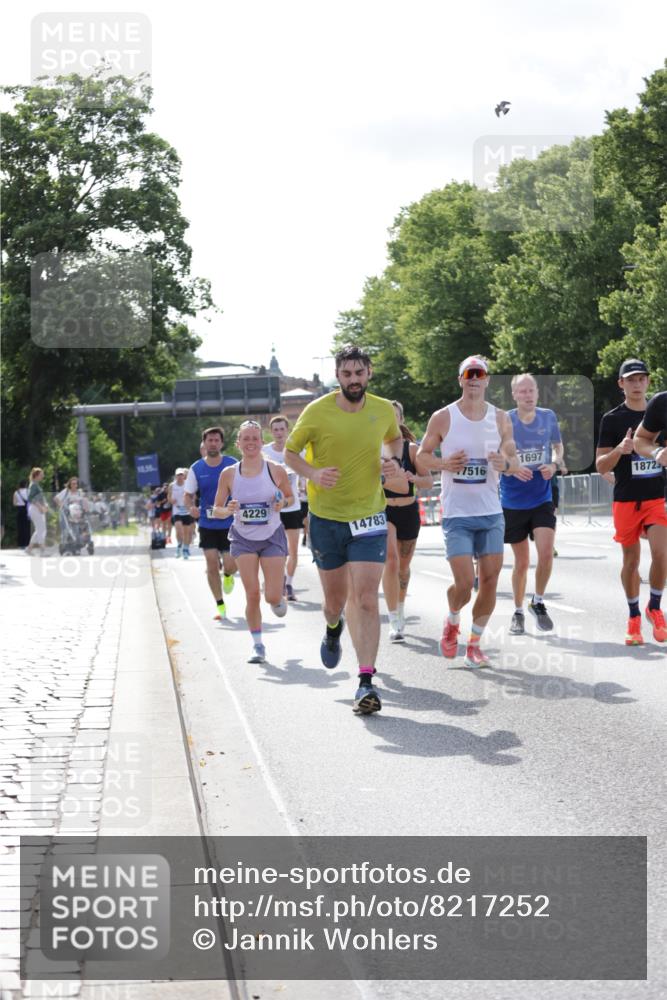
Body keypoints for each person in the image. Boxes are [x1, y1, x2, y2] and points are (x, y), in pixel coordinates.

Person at [285, 344, 404, 715]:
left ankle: (366, 680)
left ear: (369, 373)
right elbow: (291, 453)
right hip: (326, 517)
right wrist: (313, 473)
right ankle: (333, 628)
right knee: (335, 602)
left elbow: (395, 437)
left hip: (369, 515)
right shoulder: (316, 411)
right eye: (347, 374)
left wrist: (393, 460)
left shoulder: (383, 409)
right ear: (338, 376)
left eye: (360, 373)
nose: (354, 380)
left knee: (366, 598)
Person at [416, 355, 521, 668]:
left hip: (490, 513)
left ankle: (474, 644)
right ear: (461, 379)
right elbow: (422, 457)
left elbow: (513, 461)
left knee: (489, 580)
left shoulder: (501, 418)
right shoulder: (443, 417)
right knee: (464, 584)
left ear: (487, 380)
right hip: (458, 514)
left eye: (480, 374)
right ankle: (452, 621)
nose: (475, 378)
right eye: (469, 374)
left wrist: (505, 464)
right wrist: (443, 464)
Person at [596, 360, 667, 644]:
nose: (637, 384)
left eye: (641, 378)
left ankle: (655, 607)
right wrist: (619, 450)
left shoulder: (659, 411)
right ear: (621, 384)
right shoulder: (612, 419)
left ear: (648, 381)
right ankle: (634, 614)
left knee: (662, 553)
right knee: (631, 560)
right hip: (626, 498)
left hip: (655, 496)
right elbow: (601, 466)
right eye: (631, 379)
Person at [213, 420, 293, 662]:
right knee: (252, 594)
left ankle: (278, 597)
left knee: (270, 597)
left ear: (261, 442)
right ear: (238, 443)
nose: (250, 443)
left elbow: (290, 497)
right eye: (245, 439)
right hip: (242, 538)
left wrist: (282, 503)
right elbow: (216, 509)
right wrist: (227, 510)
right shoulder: (228, 474)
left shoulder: (275, 469)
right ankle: (258, 645)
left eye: (255, 438)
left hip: (271, 537)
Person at [500, 374, 565, 635]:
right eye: (522, 391)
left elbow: (558, 447)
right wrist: (513, 469)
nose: (527, 395)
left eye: (531, 390)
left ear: (537, 393)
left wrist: (554, 464)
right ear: (514, 395)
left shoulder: (548, 416)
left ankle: (537, 602)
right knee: (522, 562)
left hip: (541, 497)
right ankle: (517, 611)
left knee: (546, 552)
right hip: (513, 500)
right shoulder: (505, 420)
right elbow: (497, 458)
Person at [382, 400, 433, 641]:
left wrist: (413, 478)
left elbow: (428, 481)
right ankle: (393, 619)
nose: (390, 422)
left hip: (408, 512)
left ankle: (400, 608)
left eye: (395, 417)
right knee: (390, 562)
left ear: (401, 420)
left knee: (403, 568)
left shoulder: (412, 450)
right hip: (383, 511)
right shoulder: (373, 448)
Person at [184, 427, 238, 621]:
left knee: (231, 564)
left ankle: (229, 575)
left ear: (221, 443)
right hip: (208, 523)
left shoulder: (233, 464)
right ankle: (220, 605)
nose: (213, 443)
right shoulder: (196, 468)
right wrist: (191, 508)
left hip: (231, 523)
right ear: (204, 443)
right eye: (210, 440)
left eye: (216, 440)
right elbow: (188, 495)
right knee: (211, 563)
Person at [261, 415, 307, 601]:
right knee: (273, 549)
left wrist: (305, 485)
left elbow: (306, 472)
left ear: (287, 430)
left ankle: (288, 583)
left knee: (293, 550)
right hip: (272, 508)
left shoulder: (297, 451)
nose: (279, 433)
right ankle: (274, 581)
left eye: (282, 429)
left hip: (293, 506)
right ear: (271, 432)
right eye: (276, 430)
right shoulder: (264, 452)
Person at [168, 468, 194, 559]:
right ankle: (179, 545)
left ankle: (185, 549)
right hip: (177, 510)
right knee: (179, 530)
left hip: (186, 511)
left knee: (186, 532)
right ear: (176, 476)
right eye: (178, 475)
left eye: (181, 475)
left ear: (184, 476)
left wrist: (190, 503)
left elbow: (193, 496)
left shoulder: (188, 485)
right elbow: (169, 497)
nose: (180, 477)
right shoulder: (172, 485)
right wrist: (171, 500)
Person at [26, 468, 48, 556]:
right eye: (41, 474)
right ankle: (42, 550)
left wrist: (45, 505)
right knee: (41, 530)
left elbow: (40, 497)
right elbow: (30, 498)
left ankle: (29, 548)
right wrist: (40, 507)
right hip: (35, 509)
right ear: (37, 475)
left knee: (40, 529)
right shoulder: (33, 485)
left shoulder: (36, 485)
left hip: (38, 509)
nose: (43, 476)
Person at [12, 479, 30, 549]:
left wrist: (19, 503)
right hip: (27, 510)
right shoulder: (28, 491)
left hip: (19, 510)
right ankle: (27, 544)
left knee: (20, 527)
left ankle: (21, 544)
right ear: (26, 485)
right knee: (27, 527)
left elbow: (14, 503)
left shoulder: (16, 492)